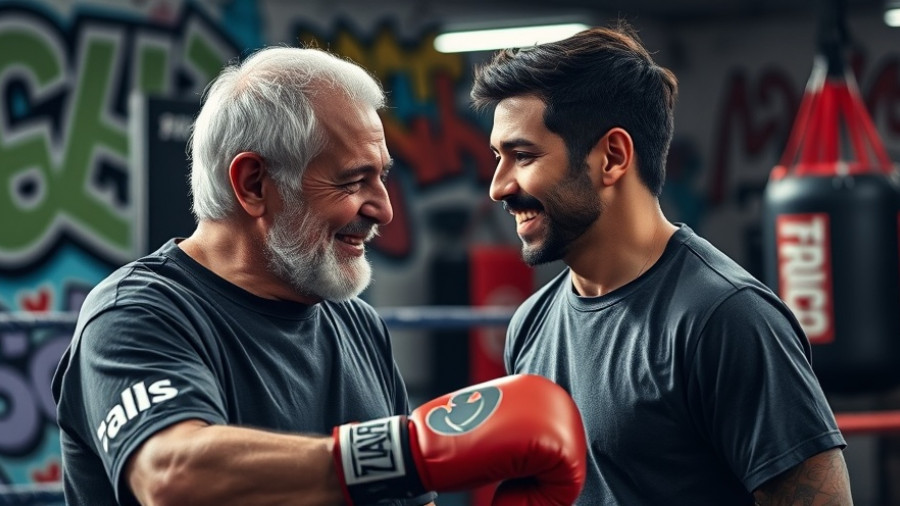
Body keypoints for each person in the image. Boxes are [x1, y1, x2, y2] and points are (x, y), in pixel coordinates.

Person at [51, 46, 588, 506]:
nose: (382, 210)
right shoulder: (137, 314)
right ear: (254, 183)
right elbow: (172, 477)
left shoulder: (355, 324)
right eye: (354, 181)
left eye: (382, 178)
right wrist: (404, 452)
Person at [470, 23, 853, 505]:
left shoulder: (727, 319)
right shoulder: (531, 324)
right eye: (497, 157)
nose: (499, 186)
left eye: (522, 155)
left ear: (611, 157)